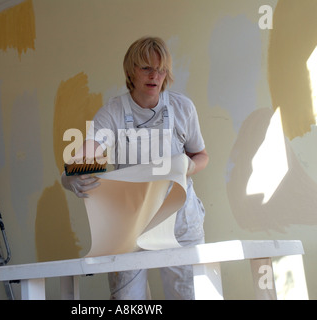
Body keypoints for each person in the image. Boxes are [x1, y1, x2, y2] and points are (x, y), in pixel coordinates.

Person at [61, 36, 209, 299]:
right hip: (131, 226)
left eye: (161, 70)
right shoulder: (114, 113)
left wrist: (187, 166)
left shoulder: (181, 108)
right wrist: (70, 176)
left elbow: (201, 155)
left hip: (180, 223)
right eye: (147, 68)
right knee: (128, 303)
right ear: (131, 71)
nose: (155, 76)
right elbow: (83, 157)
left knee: (188, 295)